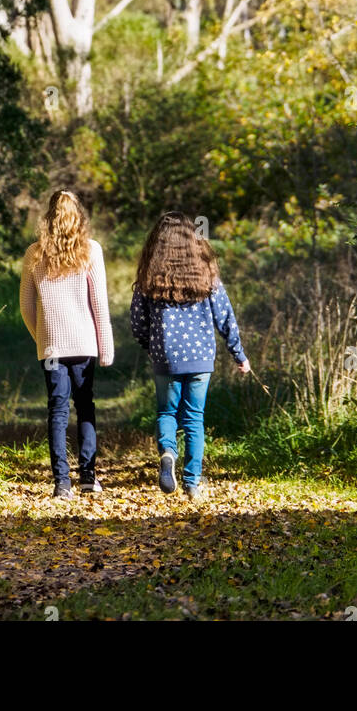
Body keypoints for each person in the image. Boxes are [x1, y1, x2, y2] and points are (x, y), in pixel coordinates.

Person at [130, 211, 249, 499]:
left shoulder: (150, 278)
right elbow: (225, 317)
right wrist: (239, 354)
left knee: (167, 412)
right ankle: (192, 483)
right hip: (200, 357)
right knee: (195, 418)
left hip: (165, 356)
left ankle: (168, 452)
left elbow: (137, 321)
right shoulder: (207, 274)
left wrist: (151, 346)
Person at [20, 190, 113, 497]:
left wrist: (42, 338)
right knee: (85, 406)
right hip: (85, 344)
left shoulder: (34, 253)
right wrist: (105, 346)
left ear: (49, 216)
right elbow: (99, 302)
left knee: (57, 411)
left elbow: (26, 306)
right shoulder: (91, 250)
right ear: (79, 216)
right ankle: (88, 476)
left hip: (52, 349)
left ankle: (62, 482)